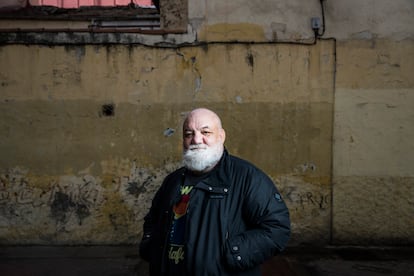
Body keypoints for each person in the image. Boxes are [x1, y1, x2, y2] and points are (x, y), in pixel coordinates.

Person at [139, 108, 290, 276]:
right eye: (189, 134)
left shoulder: (248, 177)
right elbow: (152, 219)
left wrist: (232, 255)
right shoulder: (173, 181)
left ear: (221, 136)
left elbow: (277, 228)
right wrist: (150, 247)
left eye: (206, 132)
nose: (196, 139)